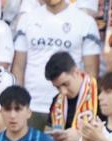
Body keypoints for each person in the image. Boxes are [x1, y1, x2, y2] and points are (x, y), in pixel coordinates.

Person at [12, 0, 100, 130]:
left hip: (69, 106)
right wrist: (19, 104)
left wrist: (82, 105)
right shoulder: (27, 19)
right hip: (32, 105)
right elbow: (18, 67)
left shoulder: (85, 22)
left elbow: (91, 71)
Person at [45, 51, 98, 141]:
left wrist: (80, 138)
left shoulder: (100, 94)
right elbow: (48, 132)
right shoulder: (57, 100)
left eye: (66, 84)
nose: (63, 91)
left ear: (76, 72)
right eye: (57, 87)